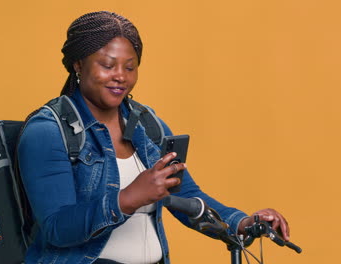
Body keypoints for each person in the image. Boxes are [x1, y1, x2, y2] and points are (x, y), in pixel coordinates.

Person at [17, 11, 290, 264]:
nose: (120, 77)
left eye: (130, 67)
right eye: (108, 65)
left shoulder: (148, 125)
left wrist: (243, 222)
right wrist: (127, 198)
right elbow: (56, 227)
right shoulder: (48, 130)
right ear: (78, 64)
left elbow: (187, 195)